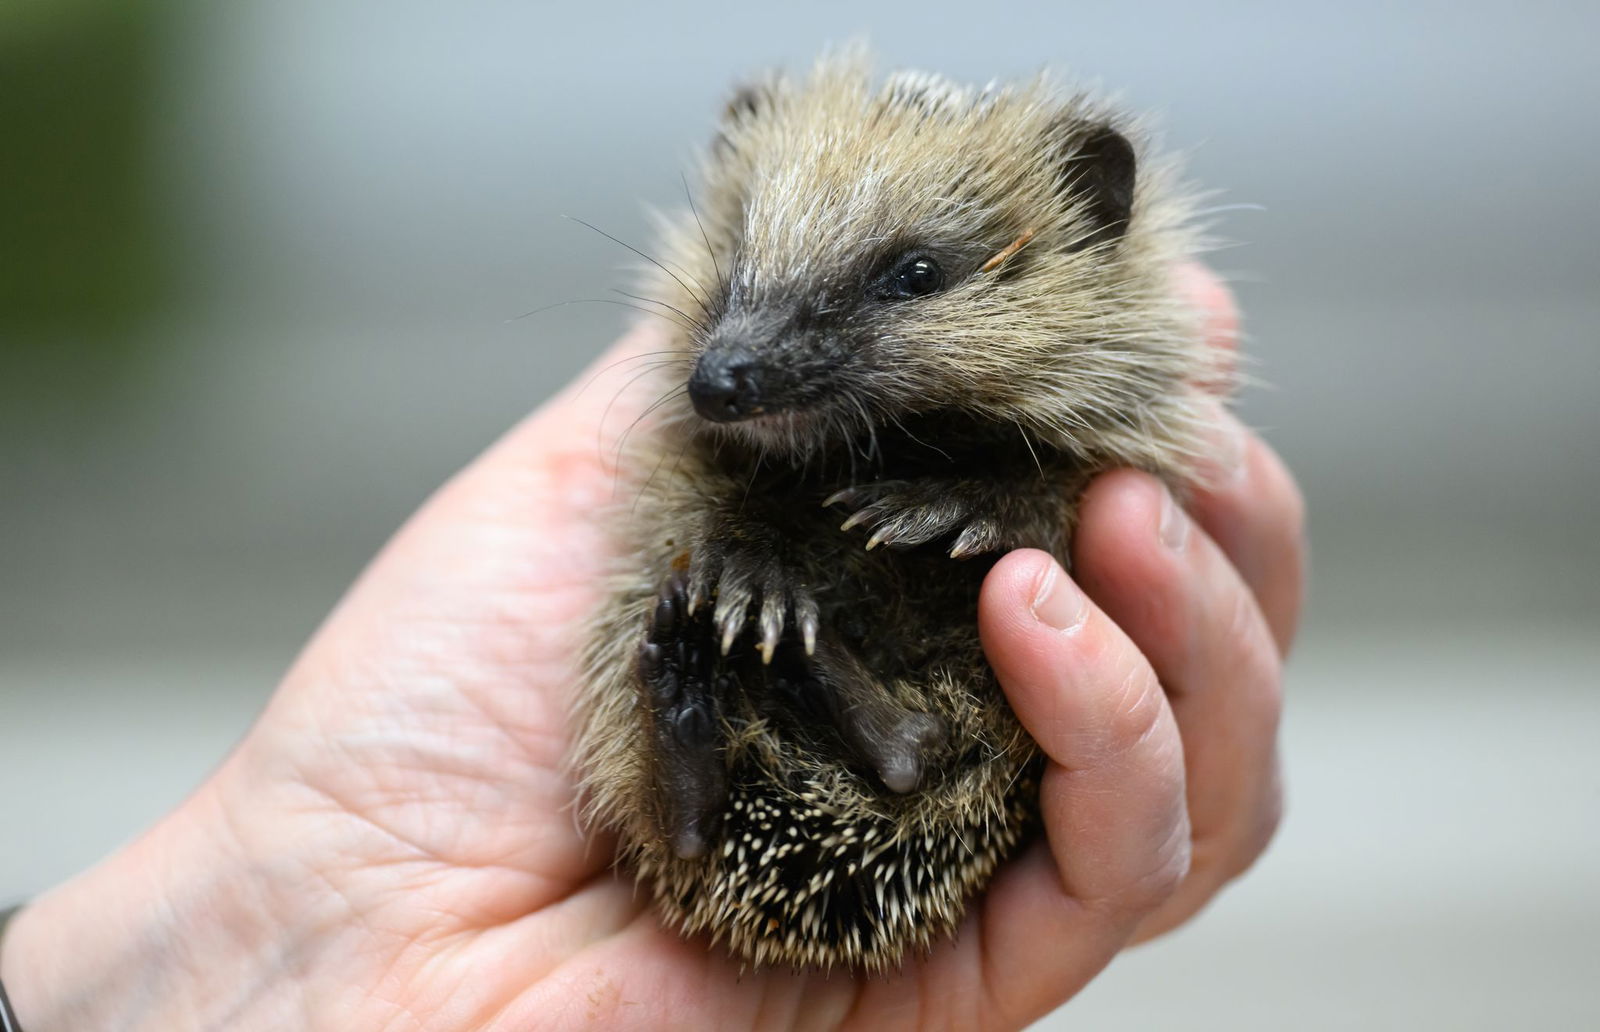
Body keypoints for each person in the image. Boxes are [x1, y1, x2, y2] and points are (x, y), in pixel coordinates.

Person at [0, 265, 1302, 1031]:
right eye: (744, 281)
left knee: (1033, 575)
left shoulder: (1080, 380)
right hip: (782, 732)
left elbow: (1077, 493)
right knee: (693, 577)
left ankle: (817, 716)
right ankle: (768, 718)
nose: (734, 359)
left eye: (900, 279)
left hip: (907, 751)